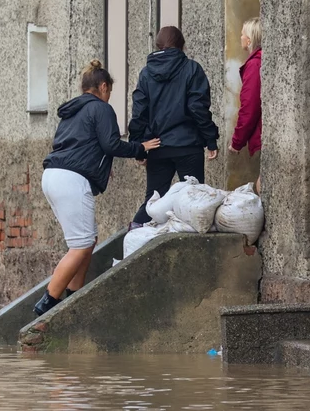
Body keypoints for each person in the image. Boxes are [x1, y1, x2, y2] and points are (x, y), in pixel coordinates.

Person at [34, 60, 160, 316]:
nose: (109, 96)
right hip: (71, 179)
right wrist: (141, 148)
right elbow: (111, 144)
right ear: (103, 86)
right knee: (80, 245)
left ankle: (73, 296)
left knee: (88, 240)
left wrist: (100, 167)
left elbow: (81, 145)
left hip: (53, 175)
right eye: (109, 91)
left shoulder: (73, 111)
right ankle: (47, 304)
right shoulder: (101, 109)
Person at [128, 26, 220, 226]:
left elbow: (139, 113)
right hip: (188, 145)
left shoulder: (146, 74)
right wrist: (210, 139)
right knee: (195, 202)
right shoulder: (192, 69)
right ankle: (194, 248)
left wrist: (139, 148)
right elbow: (198, 108)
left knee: (153, 200)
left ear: (157, 46)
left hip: (157, 146)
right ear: (182, 46)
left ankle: (133, 237)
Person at [230, 17, 262, 194]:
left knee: (262, 185)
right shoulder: (258, 62)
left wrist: (237, 142)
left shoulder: (255, 64)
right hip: (261, 132)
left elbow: (249, 107)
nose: (240, 37)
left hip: (261, 134)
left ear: (249, 39)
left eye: (242, 34)